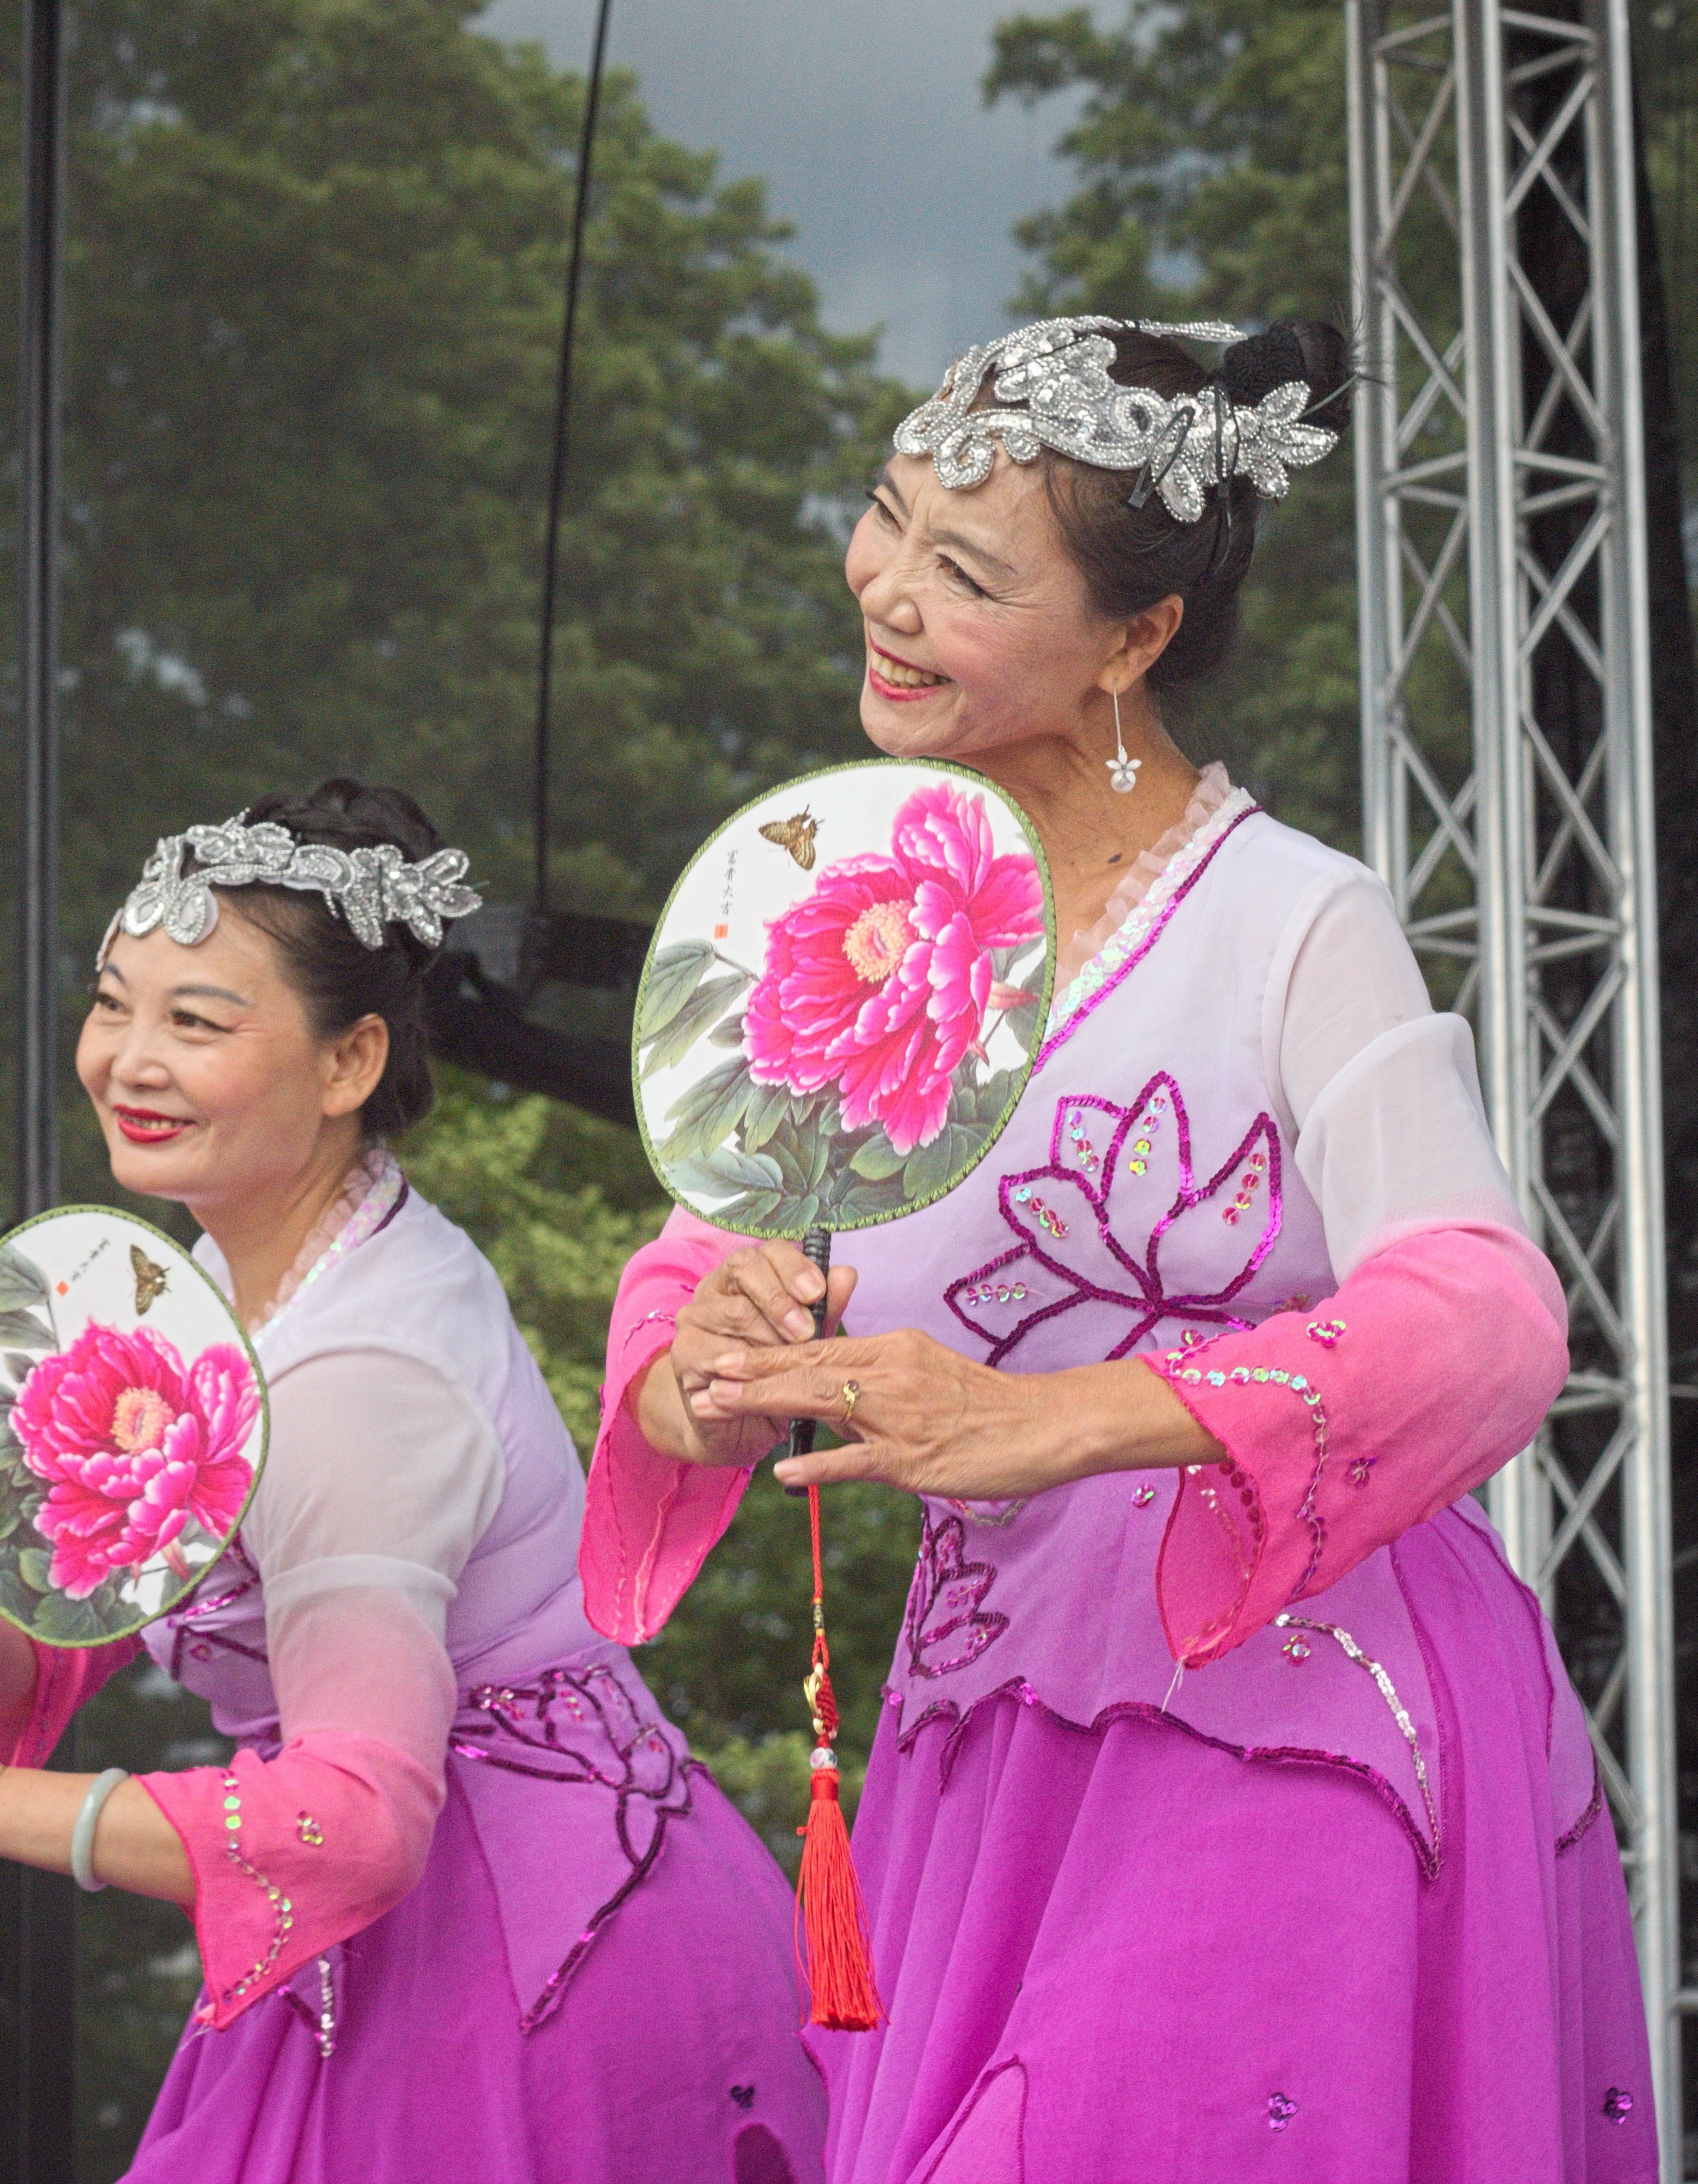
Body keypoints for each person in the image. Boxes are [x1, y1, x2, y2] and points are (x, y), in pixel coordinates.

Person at [584, 319, 1656, 2183]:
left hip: (1277, 1727)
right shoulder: (856, 934)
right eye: (885, 523)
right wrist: (704, 1365)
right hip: (977, 1771)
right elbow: (689, 1308)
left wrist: (1053, 1421)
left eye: (967, 574)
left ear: (1131, 642)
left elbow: (1482, 1317)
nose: (888, 595)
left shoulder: (1285, 921)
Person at [0, 781, 825, 2184]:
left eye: (196, 1021)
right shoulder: (228, 1274)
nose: (126, 1059)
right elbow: (76, 1606)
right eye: (113, 1002)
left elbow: (357, 1821)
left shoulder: (355, 1381)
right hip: (415, 1932)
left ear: (349, 1060)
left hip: (521, 1963)